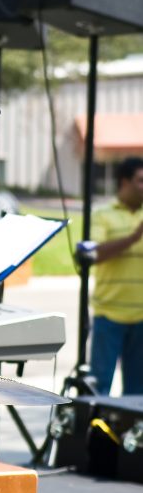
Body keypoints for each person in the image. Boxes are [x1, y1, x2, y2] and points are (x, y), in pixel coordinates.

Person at [88, 155, 143, 395]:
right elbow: (94, 254)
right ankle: (98, 433)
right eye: (141, 181)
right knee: (99, 387)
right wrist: (133, 237)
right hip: (108, 316)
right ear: (124, 182)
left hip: (141, 317)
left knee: (137, 392)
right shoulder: (102, 215)